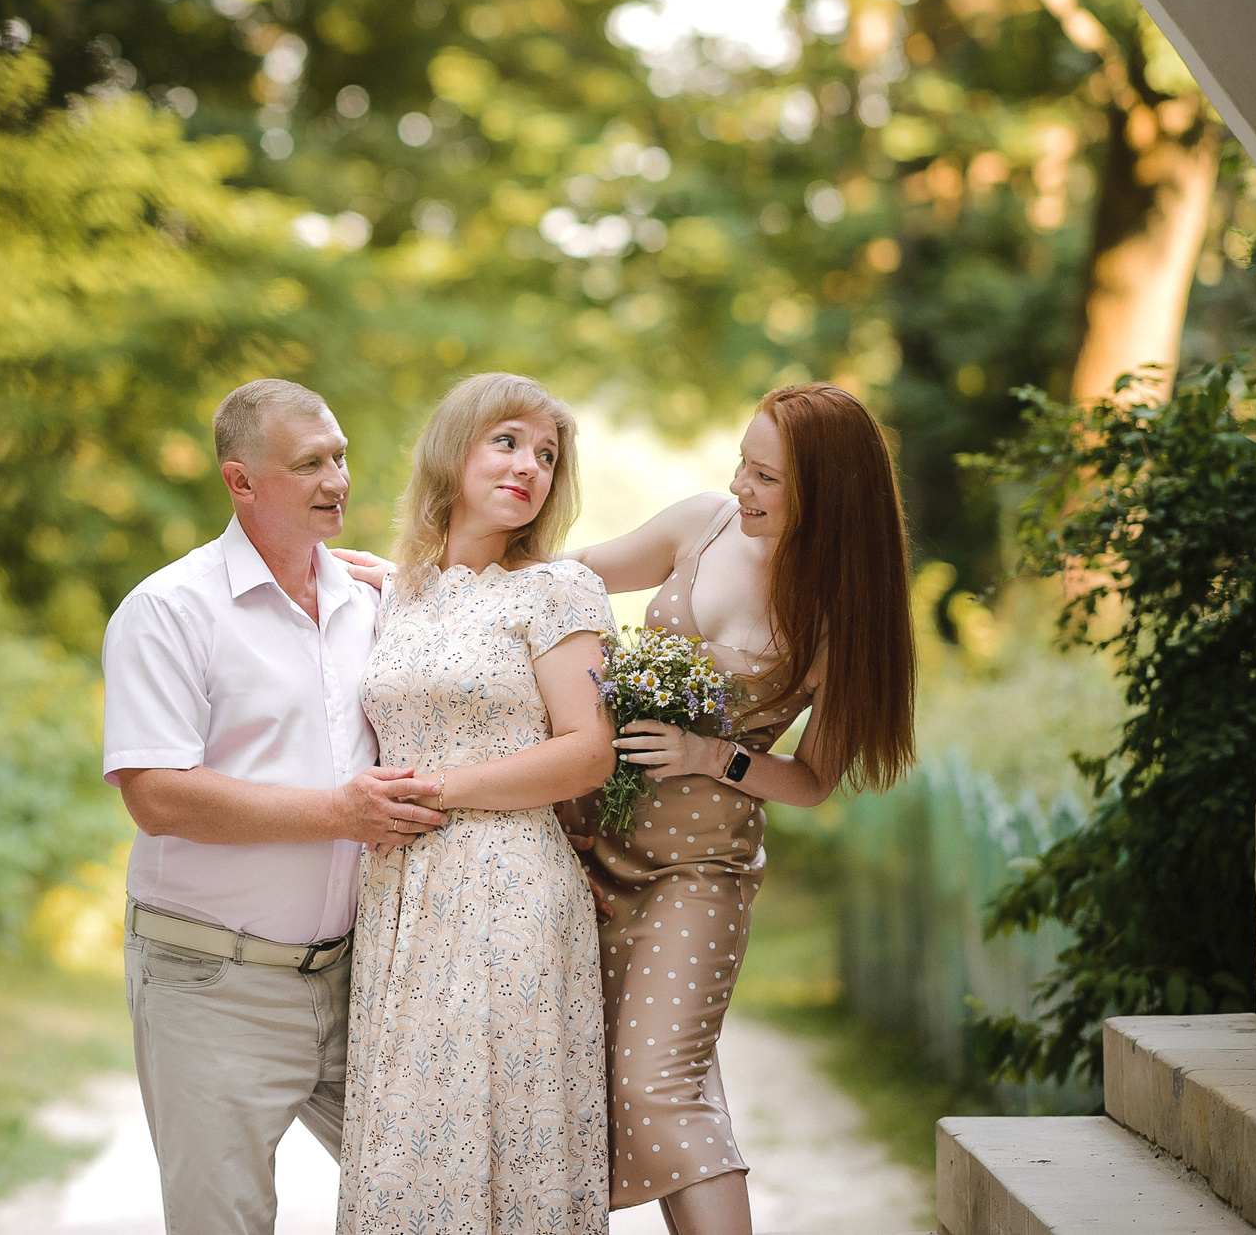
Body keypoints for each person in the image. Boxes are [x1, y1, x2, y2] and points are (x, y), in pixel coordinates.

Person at [561, 381, 917, 1235]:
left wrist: (711, 755)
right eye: (743, 463)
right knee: (581, 1086)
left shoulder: (841, 617)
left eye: (766, 476)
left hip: (698, 870)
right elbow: (558, 580)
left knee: (657, 1083)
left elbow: (813, 778)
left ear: (826, 495)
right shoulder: (700, 524)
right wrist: (416, 571)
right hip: (587, 844)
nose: (740, 486)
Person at [102, 378, 450, 1235]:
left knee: (431, 1200)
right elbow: (157, 795)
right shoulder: (169, 610)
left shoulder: (373, 602)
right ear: (241, 481)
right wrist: (338, 811)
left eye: (339, 457)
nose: (336, 479)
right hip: (210, 981)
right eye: (308, 464)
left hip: (359, 978)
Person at [337, 372, 618, 1235]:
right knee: (408, 1149)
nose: (529, 465)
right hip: (399, 899)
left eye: (546, 454)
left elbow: (588, 751)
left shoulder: (559, 590)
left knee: (496, 1139)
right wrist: (392, 578)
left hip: (510, 895)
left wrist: (440, 790)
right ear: (453, 446)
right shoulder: (400, 594)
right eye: (508, 441)